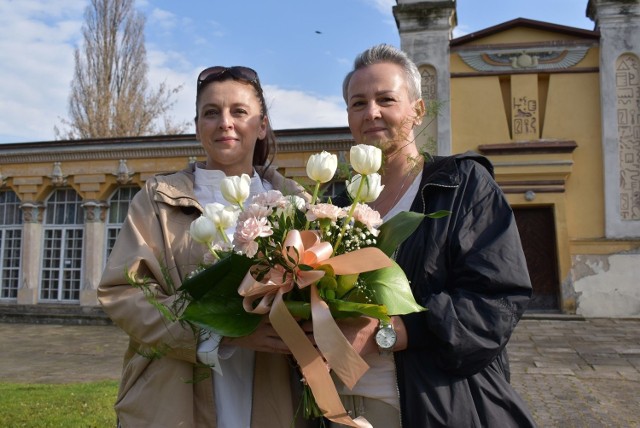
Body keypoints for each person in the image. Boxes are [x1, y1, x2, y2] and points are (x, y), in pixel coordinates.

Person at [329, 44, 536, 427]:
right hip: (341, 409)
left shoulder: (461, 186)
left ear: (417, 110)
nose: (371, 112)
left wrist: (390, 333)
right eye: (358, 103)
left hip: (437, 407)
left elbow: (498, 302)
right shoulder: (334, 205)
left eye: (386, 99)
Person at [98, 66, 310, 428]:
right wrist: (221, 332)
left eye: (239, 112)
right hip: (173, 395)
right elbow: (126, 293)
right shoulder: (159, 198)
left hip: (272, 390)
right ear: (198, 126)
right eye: (211, 112)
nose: (224, 122)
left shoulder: (296, 204)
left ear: (261, 126)